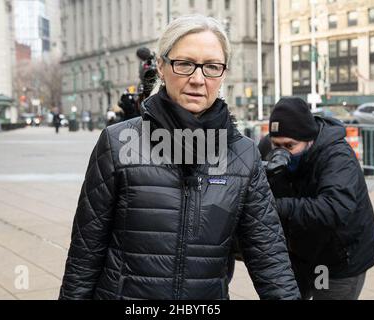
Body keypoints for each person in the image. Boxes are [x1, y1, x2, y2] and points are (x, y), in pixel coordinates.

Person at [59, 15, 300, 300]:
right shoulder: (117, 143)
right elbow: (85, 255)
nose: (198, 79)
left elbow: (270, 257)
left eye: (211, 67)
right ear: (161, 67)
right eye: (185, 64)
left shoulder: (243, 154)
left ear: (222, 74)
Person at [262, 97, 374, 300]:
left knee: (325, 294)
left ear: (309, 140)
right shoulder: (268, 147)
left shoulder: (337, 157)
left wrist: (276, 207)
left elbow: (333, 208)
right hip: (299, 255)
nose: (281, 152)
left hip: (335, 261)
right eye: (276, 145)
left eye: (290, 146)